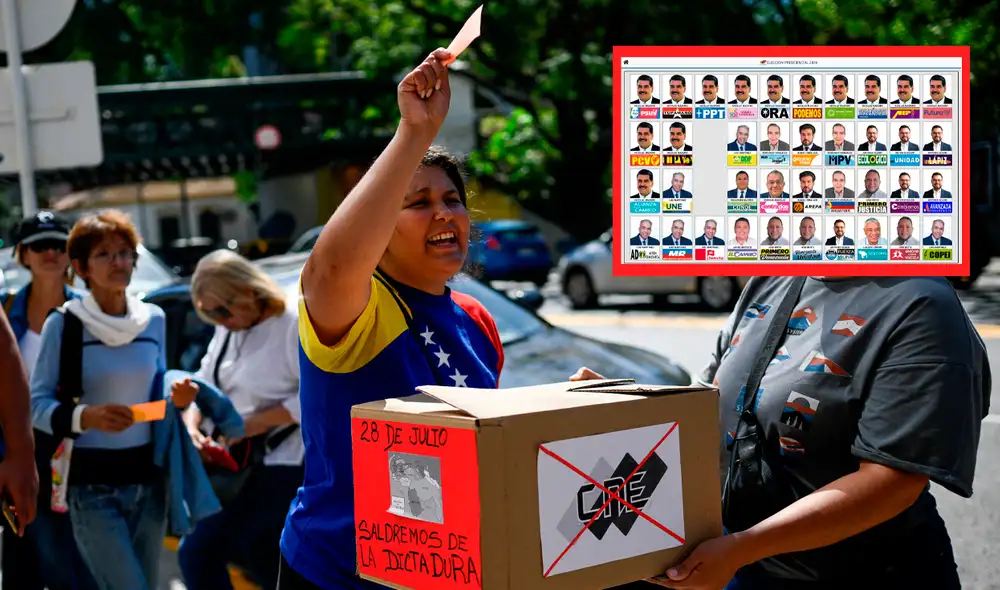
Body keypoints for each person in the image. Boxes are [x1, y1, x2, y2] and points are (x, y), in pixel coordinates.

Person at [581, 276, 989, 589]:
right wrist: (628, 408)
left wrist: (743, 547)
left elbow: (892, 481)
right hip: (750, 566)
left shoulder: (921, 307)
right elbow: (717, 403)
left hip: (867, 574)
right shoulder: (777, 277)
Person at [278, 48, 505, 589]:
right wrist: (414, 132)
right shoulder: (362, 311)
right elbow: (330, 267)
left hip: (440, 573)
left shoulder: (477, 320)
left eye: (452, 199)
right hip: (338, 574)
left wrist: (568, 406)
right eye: (417, 202)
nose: (443, 212)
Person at [30, 210, 189, 590]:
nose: (119, 262)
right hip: (90, 488)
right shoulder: (64, 324)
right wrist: (87, 417)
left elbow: (153, 401)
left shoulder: (154, 319)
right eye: (104, 254)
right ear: (82, 267)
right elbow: (36, 406)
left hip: (149, 485)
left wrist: (177, 398)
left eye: (125, 252)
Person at [175, 249, 303, 590]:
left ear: (247, 290)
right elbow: (203, 383)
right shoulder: (229, 329)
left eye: (221, 309)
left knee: (201, 551)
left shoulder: (292, 324)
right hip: (237, 465)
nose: (218, 319)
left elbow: (318, 397)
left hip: (283, 464)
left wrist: (255, 422)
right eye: (208, 314)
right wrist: (191, 428)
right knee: (262, 557)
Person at [1, 211, 95, 590]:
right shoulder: (7, 311)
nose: (50, 253)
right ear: (23, 254)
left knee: (70, 559)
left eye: (59, 245)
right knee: (22, 553)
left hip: (75, 448)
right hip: (19, 452)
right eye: (40, 245)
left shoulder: (89, 312)